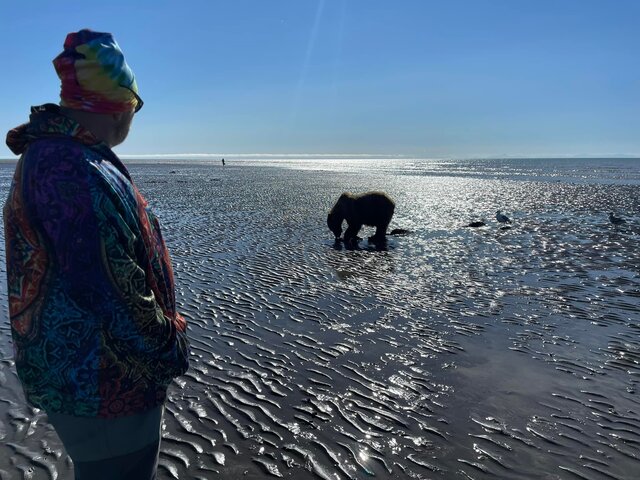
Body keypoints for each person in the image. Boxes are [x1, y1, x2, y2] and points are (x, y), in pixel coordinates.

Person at [3, 29, 189, 480]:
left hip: (101, 376)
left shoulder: (71, 155)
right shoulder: (66, 166)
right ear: (119, 103)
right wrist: (170, 345)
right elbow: (106, 288)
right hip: (102, 382)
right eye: (135, 105)